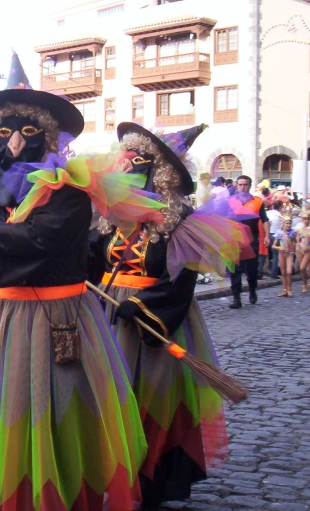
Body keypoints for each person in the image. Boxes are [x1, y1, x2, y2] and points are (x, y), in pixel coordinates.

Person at [0, 53, 161, 510]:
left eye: (29, 132)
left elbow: (43, 238)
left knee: (53, 417)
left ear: (46, 135)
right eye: (4, 133)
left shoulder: (70, 188)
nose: (17, 146)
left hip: (54, 319)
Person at [93, 122, 250, 507]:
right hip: (106, 315)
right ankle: (107, 474)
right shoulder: (107, 219)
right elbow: (86, 263)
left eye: (137, 161)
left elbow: (182, 281)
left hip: (150, 321)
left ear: (158, 169)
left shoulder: (180, 222)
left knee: (149, 398)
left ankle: (149, 481)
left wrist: (145, 306)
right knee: (104, 397)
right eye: (123, 160)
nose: (126, 168)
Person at [228, 175, 269, 308]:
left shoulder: (257, 201)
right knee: (235, 269)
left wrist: (267, 236)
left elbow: (265, 219)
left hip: (252, 240)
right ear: (237, 186)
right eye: (240, 184)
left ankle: (252, 289)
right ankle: (236, 298)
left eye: (245, 184)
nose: (242, 187)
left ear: (249, 186)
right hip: (234, 239)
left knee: (251, 270)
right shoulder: (230, 201)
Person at [272, 214, 296, 297]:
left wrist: (294, 249)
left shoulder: (292, 233)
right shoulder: (279, 233)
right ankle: (284, 290)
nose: (288, 225)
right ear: (283, 224)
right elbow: (273, 245)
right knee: (283, 272)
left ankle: (289, 289)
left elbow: (296, 242)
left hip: (289, 253)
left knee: (289, 272)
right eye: (287, 223)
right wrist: (279, 248)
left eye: (289, 223)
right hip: (281, 253)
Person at [296, 211, 310, 292]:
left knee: (302, 267)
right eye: (304, 219)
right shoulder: (299, 227)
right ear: (302, 219)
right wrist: (301, 245)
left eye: (307, 219)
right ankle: (304, 284)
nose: (306, 220)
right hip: (300, 248)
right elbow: (297, 240)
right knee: (302, 269)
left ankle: (306, 282)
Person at [266, 200, 283, 279]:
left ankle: (259, 272)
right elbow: (281, 228)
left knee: (264, 255)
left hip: (267, 234)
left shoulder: (268, 212)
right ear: (280, 207)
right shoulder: (280, 216)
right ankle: (274, 273)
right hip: (275, 235)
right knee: (275, 255)